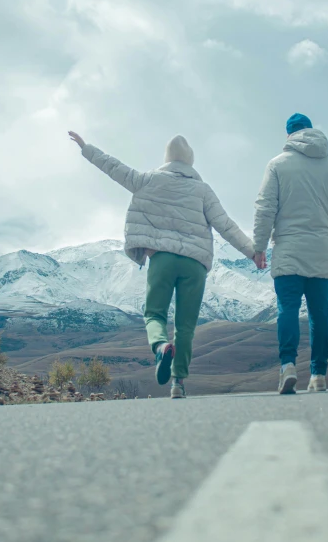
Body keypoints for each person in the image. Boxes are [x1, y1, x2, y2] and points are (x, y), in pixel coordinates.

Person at [69, 131, 254, 399]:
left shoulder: (148, 180)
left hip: (162, 259)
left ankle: (159, 346)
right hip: (195, 264)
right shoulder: (203, 190)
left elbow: (114, 168)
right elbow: (226, 225)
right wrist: (252, 252)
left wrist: (87, 148)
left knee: (154, 313)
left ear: (166, 159)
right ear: (190, 161)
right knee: (186, 325)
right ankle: (178, 383)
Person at [252, 113, 328, 394]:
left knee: (287, 309)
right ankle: (318, 375)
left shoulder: (277, 165)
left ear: (289, 136)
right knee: (319, 314)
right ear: (310, 131)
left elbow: (265, 209)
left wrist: (259, 247)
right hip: (320, 251)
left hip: (287, 249)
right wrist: (327, 232)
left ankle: (287, 365)